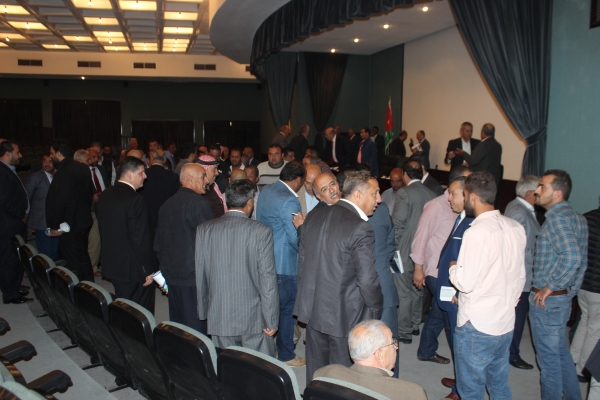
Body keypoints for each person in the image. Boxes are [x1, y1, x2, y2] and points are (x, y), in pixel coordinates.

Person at [295, 171, 383, 382]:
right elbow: (367, 280)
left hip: (314, 312)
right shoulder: (360, 227)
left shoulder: (313, 216)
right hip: (345, 317)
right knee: (343, 380)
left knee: (317, 376)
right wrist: (376, 309)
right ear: (358, 195)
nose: (379, 199)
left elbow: (303, 266)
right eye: (375, 193)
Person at [449, 171, 526, 399]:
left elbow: (464, 283)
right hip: (505, 321)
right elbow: (521, 276)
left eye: (464, 195)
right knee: (499, 385)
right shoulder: (515, 227)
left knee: (470, 390)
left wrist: (453, 267)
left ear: (472, 197)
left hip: (477, 324)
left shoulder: (476, 233)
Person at [196, 179, 279, 355]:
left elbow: (201, 274)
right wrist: (271, 319)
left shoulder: (205, 229)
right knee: (258, 366)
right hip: (253, 318)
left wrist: (204, 311)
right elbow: (267, 279)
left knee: (227, 366)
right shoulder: (261, 231)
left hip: (219, 314)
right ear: (249, 203)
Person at [531, 169, 588, 399]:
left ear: (557, 193)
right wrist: (568, 292)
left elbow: (573, 257)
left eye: (542, 186)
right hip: (560, 299)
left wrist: (551, 286)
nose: (536, 190)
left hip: (547, 301)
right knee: (561, 354)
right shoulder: (578, 218)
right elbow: (581, 263)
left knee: (549, 362)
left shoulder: (556, 219)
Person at [412, 167, 472, 367]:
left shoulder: (466, 208)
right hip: (437, 272)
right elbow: (420, 238)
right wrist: (418, 268)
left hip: (453, 272)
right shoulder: (436, 206)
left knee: (439, 311)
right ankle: (460, 365)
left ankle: (426, 350)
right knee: (449, 315)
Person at [256, 161, 306, 366]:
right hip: (285, 264)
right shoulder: (290, 200)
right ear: (298, 180)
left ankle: (269, 349)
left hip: (265, 259)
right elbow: (295, 238)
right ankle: (286, 355)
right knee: (286, 311)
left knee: (269, 309)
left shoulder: (266, 190)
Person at [155, 164, 213, 333]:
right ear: (189, 179)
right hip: (193, 277)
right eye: (202, 176)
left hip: (171, 276)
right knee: (196, 329)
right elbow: (209, 242)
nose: (206, 181)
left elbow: (158, 243)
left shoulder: (166, 204)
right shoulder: (199, 203)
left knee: (178, 325)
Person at [96, 156, 157, 314]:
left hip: (113, 264)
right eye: (141, 173)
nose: (145, 176)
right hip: (133, 269)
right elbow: (140, 239)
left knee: (123, 307)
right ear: (129, 174)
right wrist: (147, 270)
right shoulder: (135, 199)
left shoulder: (106, 194)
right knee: (140, 313)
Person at [314, 320, 427, 400]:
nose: (396, 347)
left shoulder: (324, 374)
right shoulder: (412, 393)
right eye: (392, 342)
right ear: (379, 355)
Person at [436, 174, 474, 400]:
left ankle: (460, 390)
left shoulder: (472, 223)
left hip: (458, 294)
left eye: (452, 193)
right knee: (453, 339)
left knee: (461, 344)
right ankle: (460, 379)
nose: (448, 197)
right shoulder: (461, 217)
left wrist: (460, 291)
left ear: (467, 194)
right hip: (448, 289)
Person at [392, 160, 436, 344]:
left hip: (402, 251)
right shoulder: (432, 194)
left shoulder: (404, 193)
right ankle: (415, 324)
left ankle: (404, 331)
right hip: (424, 251)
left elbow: (397, 224)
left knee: (403, 291)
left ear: (405, 174)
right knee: (418, 289)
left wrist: (392, 250)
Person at [504, 175, 541, 370]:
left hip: (523, 273)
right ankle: (511, 353)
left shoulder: (518, 206)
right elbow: (514, 247)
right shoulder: (518, 211)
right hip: (520, 274)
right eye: (538, 190)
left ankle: (511, 351)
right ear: (529, 193)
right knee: (517, 317)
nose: (540, 194)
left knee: (517, 316)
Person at [46, 138, 95, 281]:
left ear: (58, 153)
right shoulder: (83, 168)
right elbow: (88, 195)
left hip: (69, 225)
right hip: (83, 220)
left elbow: (60, 201)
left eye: (51, 153)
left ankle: (81, 290)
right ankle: (89, 287)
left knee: (73, 262)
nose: (50, 156)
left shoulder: (64, 171)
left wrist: (55, 226)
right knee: (83, 256)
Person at [571, 196, 600, 383]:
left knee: (584, 322)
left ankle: (571, 360)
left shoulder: (586, 218)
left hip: (582, 282)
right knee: (594, 330)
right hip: (598, 288)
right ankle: (582, 370)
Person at [0, 141, 32, 304]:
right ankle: (10, 294)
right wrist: (21, 215)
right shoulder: (2, 171)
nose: (20, 155)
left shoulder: (8, 169)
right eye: (17, 152)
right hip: (8, 224)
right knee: (9, 259)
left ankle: (14, 286)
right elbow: (4, 200)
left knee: (16, 258)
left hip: (14, 223)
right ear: (7, 153)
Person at [139, 149, 180, 265]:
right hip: (166, 219)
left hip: (146, 218)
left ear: (151, 159)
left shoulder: (143, 174)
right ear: (165, 160)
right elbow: (175, 200)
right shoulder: (172, 176)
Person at [24, 154, 58, 261]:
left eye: (50, 161)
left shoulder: (60, 175)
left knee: (55, 250)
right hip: (41, 220)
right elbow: (26, 197)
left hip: (57, 221)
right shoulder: (35, 177)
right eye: (44, 161)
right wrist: (25, 214)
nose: (47, 164)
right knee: (45, 252)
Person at [87, 147, 110, 276]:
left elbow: (107, 186)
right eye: (93, 157)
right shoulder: (84, 171)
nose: (95, 159)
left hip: (104, 207)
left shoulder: (102, 169)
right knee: (94, 240)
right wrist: (92, 198)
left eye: (97, 157)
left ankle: (102, 264)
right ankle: (92, 266)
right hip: (91, 209)